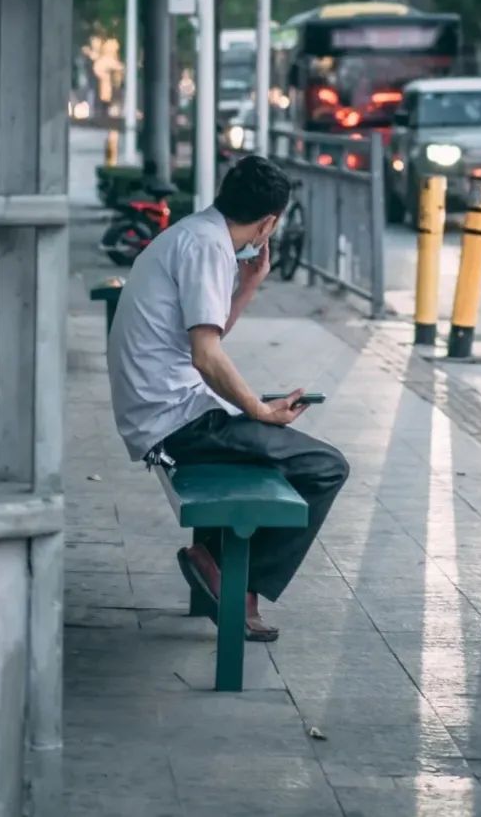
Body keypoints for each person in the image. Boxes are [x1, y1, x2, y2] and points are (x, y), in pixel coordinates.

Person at [107, 154, 349, 641]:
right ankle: (229, 577)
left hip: (169, 410)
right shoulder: (207, 248)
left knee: (281, 451)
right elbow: (205, 356)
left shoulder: (199, 233)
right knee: (326, 467)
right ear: (270, 222)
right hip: (174, 423)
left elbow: (208, 337)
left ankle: (221, 567)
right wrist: (259, 410)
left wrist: (249, 285)